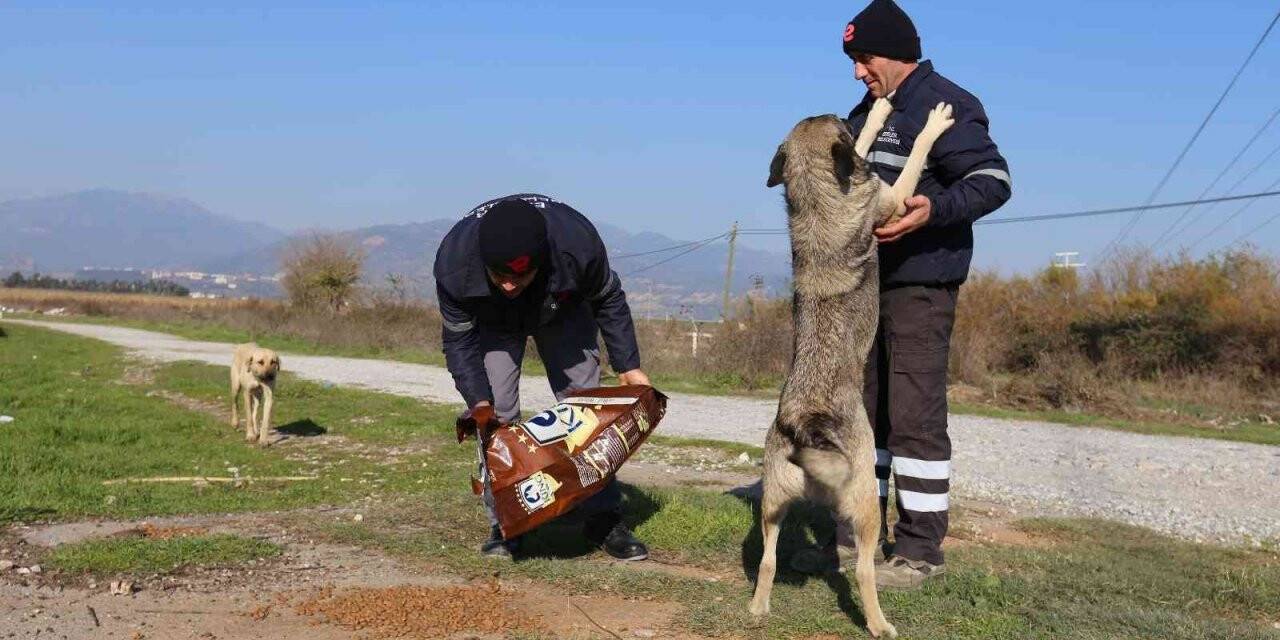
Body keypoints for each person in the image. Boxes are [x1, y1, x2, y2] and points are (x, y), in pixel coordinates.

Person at [794, 0, 1013, 588]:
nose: (858, 73)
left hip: (921, 284)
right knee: (860, 413)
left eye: (863, 58)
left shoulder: (949, 103)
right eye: (853, 62)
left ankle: (918, 551)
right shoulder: (866, 109)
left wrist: (931, 211)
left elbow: (993, 182)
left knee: (913, 417)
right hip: (860, 287)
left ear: (894, 52)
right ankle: (853, 535)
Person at [433, 193, 652, 561]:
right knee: (496, 415)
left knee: (587, 407)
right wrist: (478, 401)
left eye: (520, 276)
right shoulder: (454, 263)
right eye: (499, 276)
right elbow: (459, 343)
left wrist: (628, 365)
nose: (509, 286)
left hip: (562, 311)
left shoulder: (577, 243)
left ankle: (602, 518)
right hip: (494, 323)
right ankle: (507, 523)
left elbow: (608, 301)